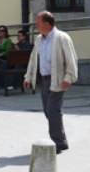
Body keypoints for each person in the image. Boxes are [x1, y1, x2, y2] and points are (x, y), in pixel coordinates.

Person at [24, 11, 79, 155]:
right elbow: (33, 59)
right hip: (44, 80)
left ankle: (58, 143)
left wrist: (68, 78)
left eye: (38, 22)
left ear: (47, 24)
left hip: (58, 79)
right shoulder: (38, 39)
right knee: (48, 111)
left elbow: (71, 59)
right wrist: (28, 77)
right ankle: (61, 140)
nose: (36, 25)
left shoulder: (62, 38)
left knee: (53, 110)